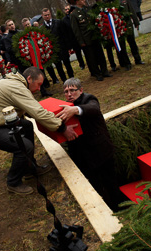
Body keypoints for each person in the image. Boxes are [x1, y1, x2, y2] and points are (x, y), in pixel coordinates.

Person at [0, 67, 78, 195]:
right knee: (24, 146)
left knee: (26, 126)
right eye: (38, 84)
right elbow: (38, 112)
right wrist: (63, 128)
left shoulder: (15, 84)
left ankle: (29, 169)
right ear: (29, 79)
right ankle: (13, 182)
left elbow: (28, 110)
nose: (39, 89)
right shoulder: (17, 88)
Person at [56, 78, 126, 211]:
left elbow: (93, 108)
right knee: (96, 186)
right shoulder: (65, 107)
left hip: (102, 152)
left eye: (72, 90)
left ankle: (121, 208)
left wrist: (76, 110)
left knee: (111, 183)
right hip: (84, 157)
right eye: (66, 92)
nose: (69, 94)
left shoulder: (89, 99)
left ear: (81, 90)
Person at [70, 0, 110, 81]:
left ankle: (105, 71)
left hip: (95, 36)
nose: (84, 0)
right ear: (77, 1)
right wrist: (81, 42)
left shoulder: (88, 9)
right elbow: (76, 30)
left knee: (100, 55)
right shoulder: (74, 14)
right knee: (91, 58)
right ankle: (97, 73)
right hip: (86, 40)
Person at [104, 0, 145, 69]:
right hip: (118, 28)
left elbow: (131, 10)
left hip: (127, 24)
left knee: (132, 43)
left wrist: (136, 22)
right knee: (122, 46)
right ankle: (127, 63)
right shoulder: (108, 3)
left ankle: (138, 59)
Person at [42, 8, 74, 83]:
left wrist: (68, 47)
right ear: (42, 16)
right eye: (45, 15)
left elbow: (65, 35)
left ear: (50, 14)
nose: (47, 16)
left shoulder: (58, 22)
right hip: (52, 51)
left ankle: (72, 78)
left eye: (48, 14)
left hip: (62, 47)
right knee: (58, 67)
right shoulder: (42, 28)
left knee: (67, 64)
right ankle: (64, 80)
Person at [61, 4, 85, 70]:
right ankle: (81, 64)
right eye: (65, 9)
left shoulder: (75, 16)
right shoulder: (64, 20)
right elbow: (65, 32)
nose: (67, 10)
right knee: (78, 53)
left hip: (80, 37)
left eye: (68, 9)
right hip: (73, 39)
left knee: (85, 50)